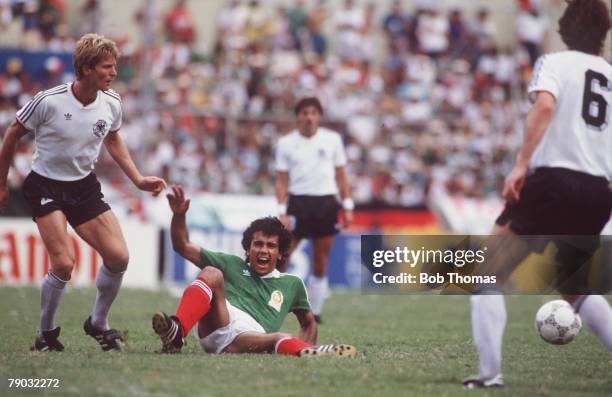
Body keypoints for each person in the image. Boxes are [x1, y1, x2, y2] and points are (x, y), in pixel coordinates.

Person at [464, 0, 612, 388]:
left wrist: (519, 165)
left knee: (487, 272)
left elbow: (544, 105)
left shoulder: (554, 63)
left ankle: (489, 374)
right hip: (598, 190)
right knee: (575, 285)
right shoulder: (610, 76)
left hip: (553, 181)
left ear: (564, 29)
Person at [0, 33, 167, 352]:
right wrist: (1, 183)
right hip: (45, 184)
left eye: (115, 66)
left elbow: (113, 138)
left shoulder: (113, 102)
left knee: (119, 256)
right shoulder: (49, 100)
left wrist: (138, 179)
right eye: (107, 66)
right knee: (63, 264)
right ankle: (45, 333)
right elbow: (12, 134)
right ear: (86, 68)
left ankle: (98, 323)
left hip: (83, 186)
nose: (114, 72)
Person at [152, 184, 356, 357]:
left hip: (250, 338)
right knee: (212, 273)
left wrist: (307, 346)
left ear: (281, 253)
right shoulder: (231, 264)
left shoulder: (292, 284)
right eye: (258, 244)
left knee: (281, 337)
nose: (263, 250)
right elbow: (183, 246)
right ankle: (177, 333)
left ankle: (312, 353)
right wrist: (179, 215)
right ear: (248, 250)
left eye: (270, 246)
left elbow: (308, 323)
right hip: (219, 323)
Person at [274, 97, 353, 324]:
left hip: (326, 203)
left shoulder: (332, 140)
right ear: (298, 116)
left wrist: (347, 205)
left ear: (318, 116)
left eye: (313, 113)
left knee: (320, 260)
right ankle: (273, 304)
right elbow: (281, 180)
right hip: (298, 203)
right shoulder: (286, 143)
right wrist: (282, 210)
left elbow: (341, 175)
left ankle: (315, 312)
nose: (309, 117)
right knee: (283, 256)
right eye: (305, 113)